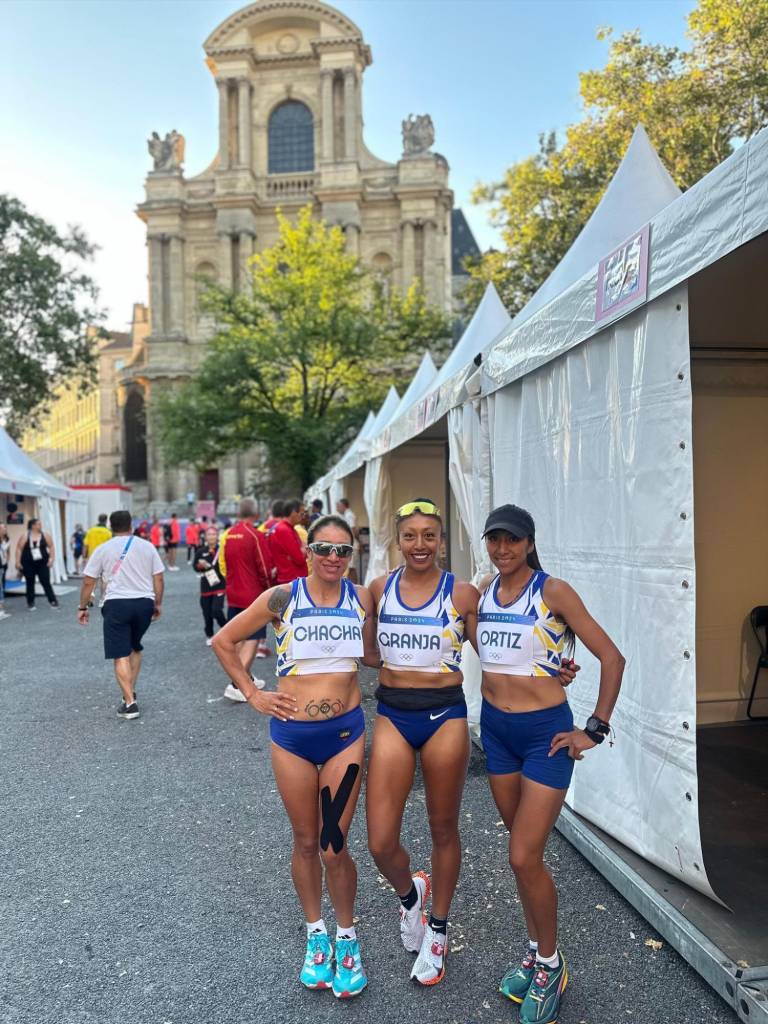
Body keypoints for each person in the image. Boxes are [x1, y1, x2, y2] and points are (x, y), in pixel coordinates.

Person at [211, 514, 377, 998]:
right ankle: (316, 935)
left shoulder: (362, 597)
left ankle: (348, 937)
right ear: (307, 551)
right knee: (305, 841)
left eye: (342, 551)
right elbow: (224, 640)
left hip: (345, 735)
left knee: (334, 844)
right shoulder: (281, 598)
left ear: (352, 556)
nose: (333, 558)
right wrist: (252, 693)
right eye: (323, 549)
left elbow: (398, 642)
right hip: (292, 738)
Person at [475, 504, 623, 1024]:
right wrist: (554, 660)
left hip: (546, 737)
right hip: (496, 733)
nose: (502, 549)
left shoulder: (552, 590)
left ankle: (551, 964)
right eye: (494, 539)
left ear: (530, 543)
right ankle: (538, 952)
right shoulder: (483, 593)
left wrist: (594, 728)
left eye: (512, 540)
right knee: (524, 855)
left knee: (521, 855)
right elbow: (497, 649)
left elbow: (612, 656)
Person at [365, 498, 478, 985]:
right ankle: (411, 895)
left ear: (442, 541)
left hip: (445, 715)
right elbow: (366, 651)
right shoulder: (378, 589)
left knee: (443, 828)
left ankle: (438, 928)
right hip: (393, 712)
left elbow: (495, 652)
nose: (419, 545)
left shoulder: (463, 593)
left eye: (429, 535)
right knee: (380, 841)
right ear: (397, 540)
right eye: (409, 535)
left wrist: (555, 668)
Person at [77, 509, 164, 720]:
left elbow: (89, 581)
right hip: (144, 603)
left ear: (111, 527)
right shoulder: (147, 546)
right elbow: (159, 578)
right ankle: (130, 691)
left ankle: (130, 703)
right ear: (131, 525)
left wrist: (82, 607)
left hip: (116, 604)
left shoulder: (103, 549)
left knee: (120, 653)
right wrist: (157, 603)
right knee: (134, 647)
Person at [218, 498, 274, 697]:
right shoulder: (255, 535)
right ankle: (237, 684)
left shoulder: (228, 534)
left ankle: (247, 676)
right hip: (252, 592)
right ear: (256, 514)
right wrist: (269, 588)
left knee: (238, 635)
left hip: (233, 591)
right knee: (254, 637)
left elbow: (223, 564)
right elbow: (264, 567)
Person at [16, 518, 59, 611]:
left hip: (42, 563)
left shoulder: (45, 535)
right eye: (38, 524)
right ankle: (30, 602)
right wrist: (18, 562)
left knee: (45, 581)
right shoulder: (25, 536)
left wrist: (51, 559)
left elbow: (51, 547)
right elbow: (19, 549)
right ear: (33, 526)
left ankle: (53, 600)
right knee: (30, 582)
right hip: (28, 563)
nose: (40, 525)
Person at [194, 525, 226, 645]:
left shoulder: (222, 550)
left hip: (220, 585)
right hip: (206, 586)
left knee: (216, 610)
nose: (211, 536)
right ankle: (210, 634)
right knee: (206, 612)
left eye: (213, 534)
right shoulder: (200, 551)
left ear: (217, 536)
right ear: (205, 537)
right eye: (209, 534)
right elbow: (195, 567)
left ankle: (228, 629)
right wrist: (200, 566)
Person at [269, 500, 308, 585]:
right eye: (301, 514)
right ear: (294, 513)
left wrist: (302, 549)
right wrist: (305, 549)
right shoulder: (285, 530)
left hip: (290, 578)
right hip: (292, 580)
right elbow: (299, 559)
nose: (303, 517)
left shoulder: (286, 528)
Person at [335, 498, 359, 583]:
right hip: (350, 544)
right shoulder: (346, 514)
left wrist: (359, 542)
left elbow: (353, 530)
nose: (337, 508)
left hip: (352, 544)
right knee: (350, 568)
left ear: (344, 506)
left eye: (338, 506)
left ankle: (354, 586)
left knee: (351, 568)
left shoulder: (349, 515)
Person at [0, 524, 11, 621]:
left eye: (5, 528)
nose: (5, 529)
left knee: (2, 584)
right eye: (3, 528)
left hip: (3, 564)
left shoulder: (7, 539)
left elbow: (7, 551)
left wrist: (7, 560)